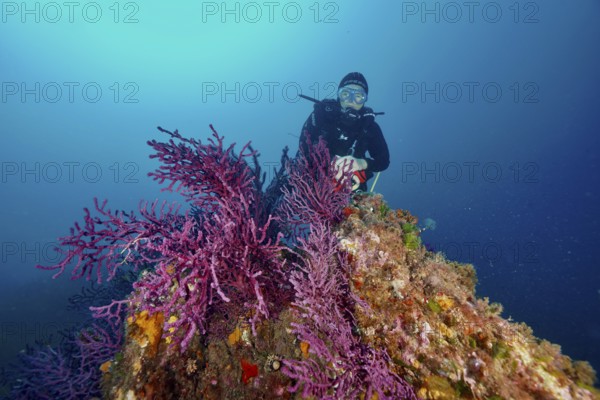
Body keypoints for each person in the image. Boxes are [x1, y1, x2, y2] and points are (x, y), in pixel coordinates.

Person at [298, 72, 390, 192]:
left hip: (350, 188)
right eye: (345, 94)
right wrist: (331, 162)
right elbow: (303, 144)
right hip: (309, 180)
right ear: (338, 95)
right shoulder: (322, 114)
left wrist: (360, 163)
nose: (351, 101)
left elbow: (383, 161)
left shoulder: (369, 126)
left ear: (364, 99)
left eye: (358, 96)